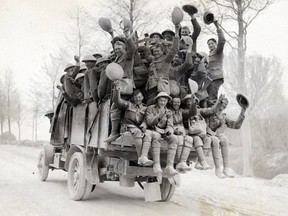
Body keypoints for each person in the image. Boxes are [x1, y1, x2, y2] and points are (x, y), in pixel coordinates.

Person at [206, 95, 247, 177]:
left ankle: (226, 169)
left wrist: (243, 110)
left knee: (224, 139)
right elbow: (205, 125)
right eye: (223, 103)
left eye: (225, 105)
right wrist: (212, 133)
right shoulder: (210, 113)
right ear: (219, 103)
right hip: (207, 135)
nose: (224, 106)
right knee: (216, 140)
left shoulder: (223, 117)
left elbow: (236, 126)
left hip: (216, 136)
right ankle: (218, 169)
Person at [112, 81, 152, 166]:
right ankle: (140, 158)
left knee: (147, 134)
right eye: (136, 97)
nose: (138, 99)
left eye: (139, 97)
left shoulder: (145, 108)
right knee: (137, 132)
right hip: (127, 127)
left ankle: (143, 157)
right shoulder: (128, 104)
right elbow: (117, 100)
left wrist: (144, 124)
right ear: (133, 98)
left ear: (142, 97)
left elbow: (146, 119)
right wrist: (117, 89)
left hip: (138, 129)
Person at [144, 92, 178, 177]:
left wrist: (169, 131)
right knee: (156, 137)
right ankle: (156, 164)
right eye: (161, 101)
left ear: (167, 102)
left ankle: (169, 166)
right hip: (153, 130)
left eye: (164, 101)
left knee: (174, 138)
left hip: (164, 131)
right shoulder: (150, 109)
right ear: (157, 100)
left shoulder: (169, 112)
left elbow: (170, 124)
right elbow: (149, 122)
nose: (163, 103)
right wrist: (159, 115)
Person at [145, 24, 180, 105]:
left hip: (161, 89)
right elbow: (147, 55)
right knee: (150, 106)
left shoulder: (166, 60)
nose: (156, 53)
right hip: (151, 88)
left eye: (158, 51)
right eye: (154, 52)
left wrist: (177, 31)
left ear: (162, 52)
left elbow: (175, 48)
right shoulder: (153, 60)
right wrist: (147, 44)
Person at [170, 97, 194, 172]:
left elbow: (191, 113)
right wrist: (174, 130)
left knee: (189, 139)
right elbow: (168, 124)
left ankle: (183, 162)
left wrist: (194, 104)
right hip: (173, 131)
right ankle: (178, 163)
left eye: (178, 102)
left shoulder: (181, 111)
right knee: (180, 139)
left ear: (180, 103)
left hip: (181, 131)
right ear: (171, 103)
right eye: (174, 102)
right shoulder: (169, 111)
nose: (176, 104)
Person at [206, 20, 226, 107]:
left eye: (212, 43)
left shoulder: (218, 51)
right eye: (208, 44)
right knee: (207, 97)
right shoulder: (209, 55)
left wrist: (217, 26)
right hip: (209, 78)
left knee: (212, 98)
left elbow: (222, 40)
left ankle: (214, 117)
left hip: (216, 77)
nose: (210, 45)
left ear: (216, 44)